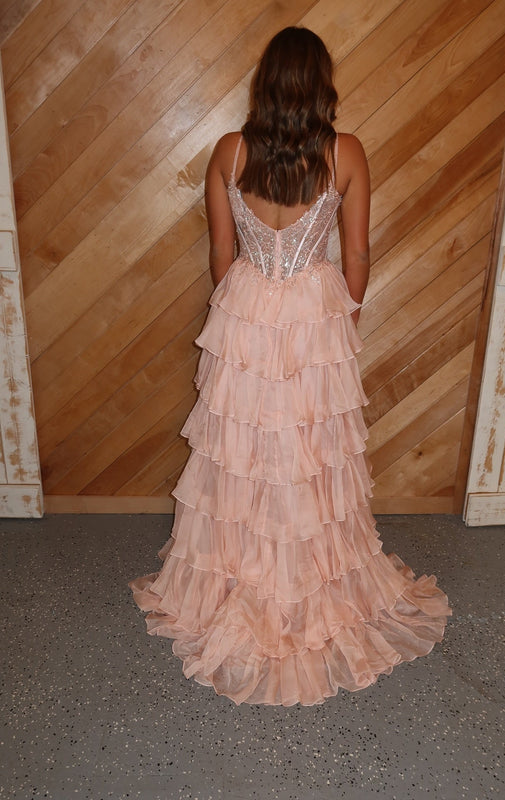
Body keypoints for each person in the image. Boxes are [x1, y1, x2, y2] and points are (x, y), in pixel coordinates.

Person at [128, 27, 452, 706]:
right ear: (321, 84)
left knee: (241, 446)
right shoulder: (345, 151)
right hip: (313, 309)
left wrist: (241, 314)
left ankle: (235, 572)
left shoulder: (229, 151)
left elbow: (221, 254)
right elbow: (356, 255)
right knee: (311, 447)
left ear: (265, 84)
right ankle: (305, 572)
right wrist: (342, 318)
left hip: (245, 303)